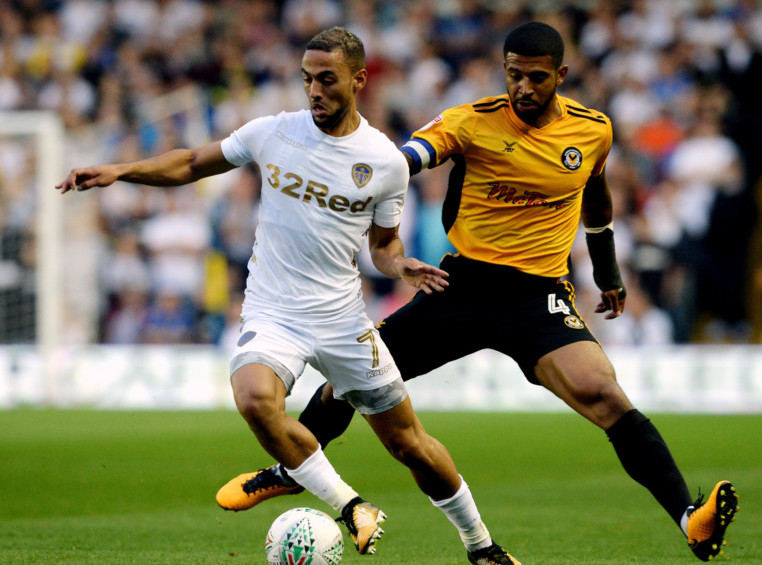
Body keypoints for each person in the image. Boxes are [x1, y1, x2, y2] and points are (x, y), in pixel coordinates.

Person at [216, 22, 739, 562]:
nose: (523, 87)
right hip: (460, 288)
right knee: (349, 381)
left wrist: (607, 274)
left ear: (560, 75)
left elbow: (597, 202)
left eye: (536, 78)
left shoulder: (592, 131)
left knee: (605, 395)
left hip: (538, 296)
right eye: (513, 75)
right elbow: (407, 157)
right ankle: (289, 470)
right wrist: (348, 173)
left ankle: (689, 519)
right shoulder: (470, 121)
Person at [56, 27, 521, 565]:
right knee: (254, 398)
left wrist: (402, 267)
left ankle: (481, 546)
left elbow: (384, 245)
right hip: (273, 310)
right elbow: (190, 163)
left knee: (408, 443)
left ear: (359, 80)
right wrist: (120, 171)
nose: (315, 91)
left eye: (327, 80)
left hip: (343, 320)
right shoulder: (275, 132)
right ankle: (351, 507)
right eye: (307, 80)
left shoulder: (385, 163)